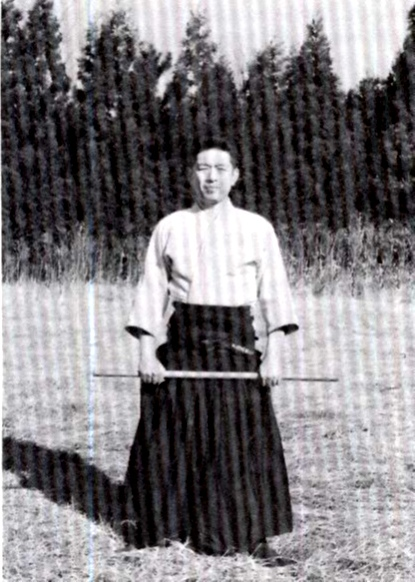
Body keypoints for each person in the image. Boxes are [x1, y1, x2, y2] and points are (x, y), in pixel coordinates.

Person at [125, 138, 299, 561]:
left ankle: (245, 534)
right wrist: (147, 354)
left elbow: (274, 294)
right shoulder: (170, 227)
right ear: (192, 174)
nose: (211, 177)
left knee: (236, 440)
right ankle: (164, 529)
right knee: (171, 435)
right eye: (203, 168)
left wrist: (274, 354)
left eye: (220, 169)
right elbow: (152, 292)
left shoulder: (257, 228)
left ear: (235, 176)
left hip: (236, 344)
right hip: (184, 342)